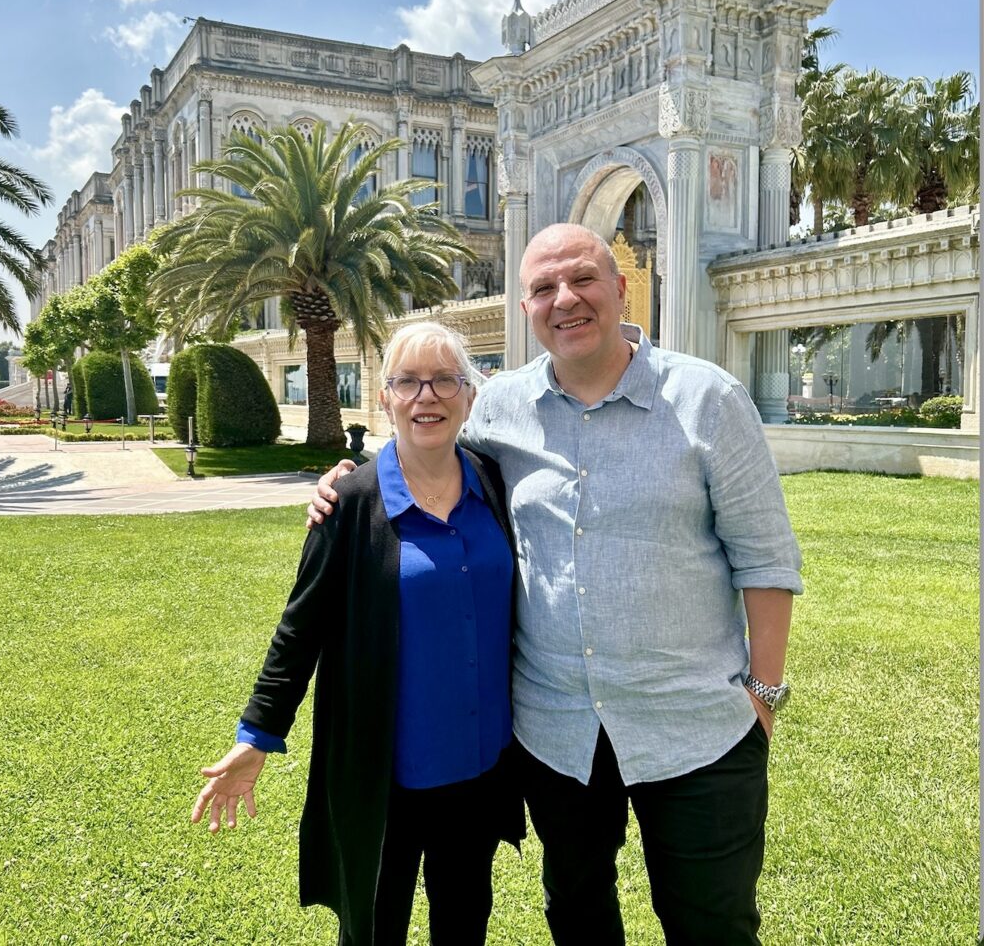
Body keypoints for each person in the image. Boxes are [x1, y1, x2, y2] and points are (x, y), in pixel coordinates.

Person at [310, 223, 803, 945]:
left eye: (582, 280)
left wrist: (763, 695)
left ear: (621, 289)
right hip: (558, 732)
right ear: (525, 307)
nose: (564, 300)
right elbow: (425, 429)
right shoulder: (501, 406)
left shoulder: (708, 400)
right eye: (543, 288)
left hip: (696, 726)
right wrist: (352, 484)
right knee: (576, 913)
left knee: (713, 924)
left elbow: (766, 561)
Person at [192, 322, 523, 946]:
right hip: (384, 774)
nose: (427, 396)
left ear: (469, 396)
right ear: (386, 397)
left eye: (445, 380)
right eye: (408, 382)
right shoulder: (348, 504)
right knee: (373, 927)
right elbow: (300, 629)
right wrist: (256, 737)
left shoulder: (494, 484)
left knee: (465, 921)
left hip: (480, 766)